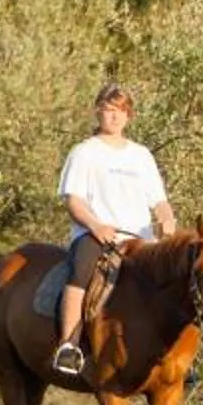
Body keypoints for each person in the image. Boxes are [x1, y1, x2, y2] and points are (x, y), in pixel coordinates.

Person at [53, 82, 178, 378]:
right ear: (98, 111)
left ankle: (175, 355)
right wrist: (96, 225)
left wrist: (167, 219)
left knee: (175, 281)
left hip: (140, 240)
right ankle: (68, 345)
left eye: (120, 111)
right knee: (81, 272)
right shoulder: (84, 152)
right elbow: (73, 200)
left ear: (129, 116)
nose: (114, 117)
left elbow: (159, 200)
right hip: (97, 235)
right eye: (109, 110)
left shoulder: (141, 155)